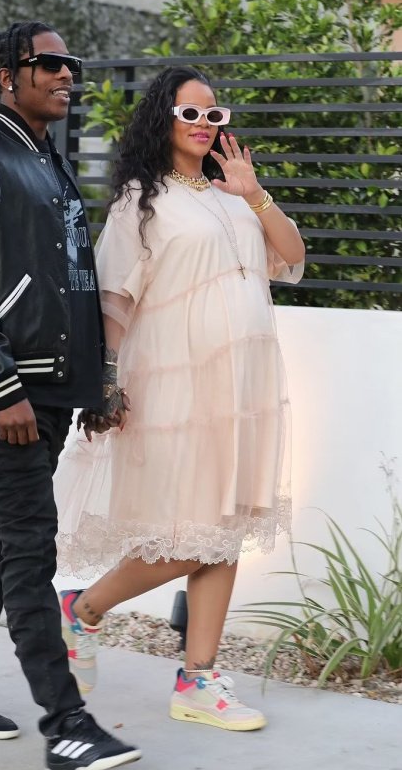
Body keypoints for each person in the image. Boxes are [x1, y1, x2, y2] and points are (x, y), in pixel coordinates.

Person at [0, 20, 141, 770]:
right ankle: (67, 721)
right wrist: (3, 387)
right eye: (48, 63)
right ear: (6, 76)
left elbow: (74, 288)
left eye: (70, 63)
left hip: (46, 390)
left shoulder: (52, 166)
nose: (65, 74)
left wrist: (93, 385)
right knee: (27, 547)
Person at [54, 65, 305, 729]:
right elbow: (112, 300)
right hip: (174, 388)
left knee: (222, 535)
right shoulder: (142, 201)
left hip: (245, 392)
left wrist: (253, 195)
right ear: (162, 118)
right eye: (190, 113)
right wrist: (103, 382)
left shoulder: (233, 199)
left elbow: (292, 255)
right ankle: (81, 610)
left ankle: (197, 681)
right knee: (188, 534)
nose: (202, 125)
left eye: (213, 115)